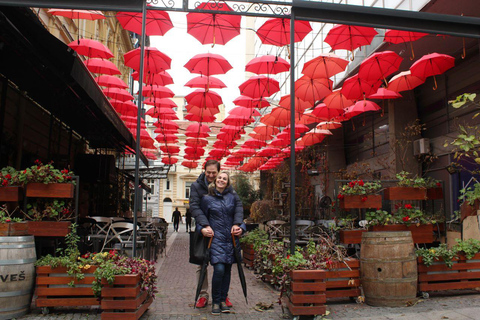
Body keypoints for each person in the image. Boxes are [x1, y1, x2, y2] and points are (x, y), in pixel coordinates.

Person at [190, 160, 241, 308]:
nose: (212, 175)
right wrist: (205, 226)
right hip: (204, 230)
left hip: (222, 232)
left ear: (219, 172)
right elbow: (195, 207)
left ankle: (222, 296)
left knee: (223, 265)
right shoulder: (196, 186)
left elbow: (236, 205)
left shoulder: (227, 186)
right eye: (209, 172)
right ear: (204, 170)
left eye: (214, 172)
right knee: (201, 263)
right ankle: (203, 294)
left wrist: (237, 224)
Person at [198, 172, 244, 315]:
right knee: (219, 270)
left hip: (230, 240)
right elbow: (200, 219)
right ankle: (216, 301)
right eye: (219, 178)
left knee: (228, 271)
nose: (221, 180)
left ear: (228, 182)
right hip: (216, 239)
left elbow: (240, 216)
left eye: (224, 178)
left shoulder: (233, 198)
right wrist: (202, 229)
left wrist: (241, 228)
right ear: (215, 180)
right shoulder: (207, 199)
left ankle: (223, 300)